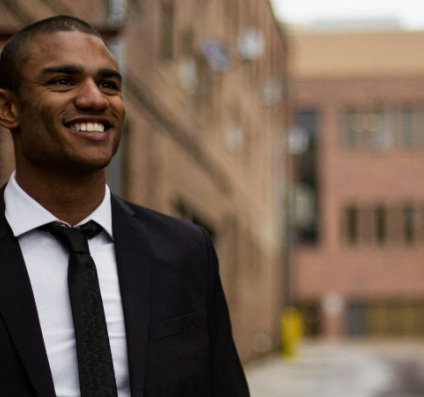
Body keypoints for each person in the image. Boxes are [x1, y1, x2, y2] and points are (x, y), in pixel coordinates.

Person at [0, 15, 249, 397]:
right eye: (63, 81)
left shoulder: (186, 252)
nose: (95, 99)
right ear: (9, 108)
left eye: (108, 84)